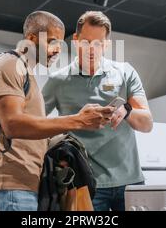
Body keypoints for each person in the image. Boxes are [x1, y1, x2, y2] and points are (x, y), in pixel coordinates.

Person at [0, 11, 115, 211]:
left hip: (22, 188)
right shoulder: (9, 65)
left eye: (60, 43)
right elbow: (13, 125)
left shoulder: (26, 73)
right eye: (52, 41)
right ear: (32, 38)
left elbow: (27, 132)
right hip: (8, 189)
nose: (57, 49)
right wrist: (77, 120)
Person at [42, 11, 153, 211]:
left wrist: (127, 110)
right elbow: (35, 124)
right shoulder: (57, 80)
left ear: (107, 44)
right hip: (84, 183)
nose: (91, 49)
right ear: (75, 41)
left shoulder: (125, 72)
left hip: (130, 182)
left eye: (98, 44)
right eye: (86, 42)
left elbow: (147, 124)